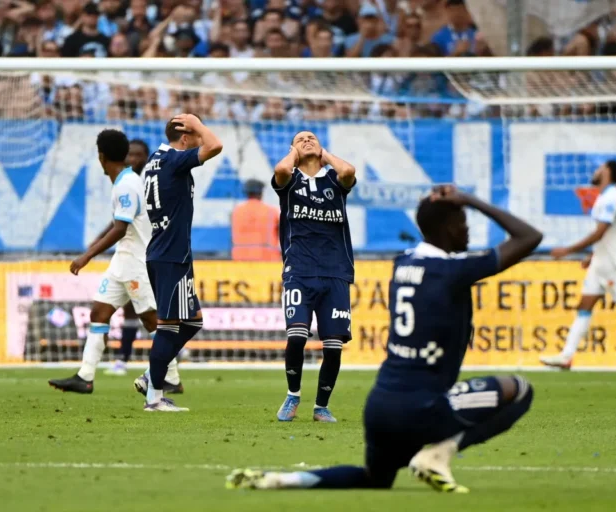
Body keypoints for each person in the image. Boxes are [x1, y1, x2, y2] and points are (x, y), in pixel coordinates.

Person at [227, 184, 542, 492]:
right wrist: (471, 200)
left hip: (380, 408)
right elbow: (530, 237)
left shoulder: (402, 263)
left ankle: (282, 480)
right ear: (447, 227)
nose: (468, 231)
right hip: (424, 408)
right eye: (462, 222)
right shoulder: (454, 270)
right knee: (521, 390)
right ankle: (438, 454)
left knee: (375, 479)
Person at [48, 130, 158, 394]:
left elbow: (120, 228)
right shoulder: (123, 181)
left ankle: (166, 375)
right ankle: (85, 377)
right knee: (99, 313)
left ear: (101, 156)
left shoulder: (127, 185)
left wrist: (86, 255)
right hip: (123, 260)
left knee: (153, 321)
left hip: (136, 261)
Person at [137, 114, 223, 412]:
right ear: (184, 138)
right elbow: (216, 146)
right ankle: (154, 398)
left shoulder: (154, 159)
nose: (199, 139)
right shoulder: (174, 159)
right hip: (170, 255)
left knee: (193, 320)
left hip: (168, 252)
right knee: (168, 327)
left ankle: (151, 375)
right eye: (194, 135)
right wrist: (198, 124)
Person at [272, 131, 356, 423]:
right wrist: (295, 154)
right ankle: (293, 395)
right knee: (296, 337)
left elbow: (348, 171)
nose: (307, 139)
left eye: (312, 137)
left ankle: (321, 406)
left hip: (336, 273)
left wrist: (324, 155)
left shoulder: (335, 181)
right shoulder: (290, 180)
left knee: (333, 347)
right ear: (292, 149)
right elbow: (281, 170)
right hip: (300, 271)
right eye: (300, 139)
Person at [542, 161, 616, 372]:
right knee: (584, 306)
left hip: (614, 262)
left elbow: (601, 231)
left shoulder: (612, 198)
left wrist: (568, 250)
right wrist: (593, 255)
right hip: (602, 260)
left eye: (599, 168)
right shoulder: (603, 197)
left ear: (608, 172)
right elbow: (606, 236)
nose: (595, 172)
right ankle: (566, 357)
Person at [106, 139, 185, 394]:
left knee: (155, 316)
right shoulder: (128, 183)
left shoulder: (148, 182)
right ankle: (125, 361)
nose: (134, 159)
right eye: (130, 154)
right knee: (133, 312)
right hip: (133, 256)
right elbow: (121, 221)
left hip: (151, 255)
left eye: (139, 154)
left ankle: (165, 371)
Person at [230, 179, 280, 261]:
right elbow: (282, 233)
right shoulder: (271, 211)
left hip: (240, 259)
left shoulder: (236, 211)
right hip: (267, 260)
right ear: (261, 193)